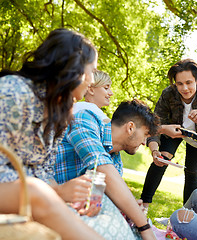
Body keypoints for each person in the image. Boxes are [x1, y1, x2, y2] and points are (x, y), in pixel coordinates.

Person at [0, 28, 103, 239]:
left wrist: (65, 192)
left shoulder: (60, 114)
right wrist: (53, 194)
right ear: (73, 68)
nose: (92, 80)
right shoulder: (13, 92)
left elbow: (45, 172)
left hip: (22, 197)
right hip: (15, 191)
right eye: (91, 71)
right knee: (37, 192)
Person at [55, 99, 159, 240]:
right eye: (145, 135)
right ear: (130, 128)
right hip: (47, 195)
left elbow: (106, 195)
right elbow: (101, 166)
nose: (144, 142)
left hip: (78, 209)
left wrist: (129, 206)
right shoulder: (86, 120)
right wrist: (144, 226)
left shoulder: (116, 161)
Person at [141, 58, 197, 206]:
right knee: (161, 159)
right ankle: (143, 205)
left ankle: (187, 216)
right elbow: (155, 125)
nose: (184, 88)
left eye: (189, 82)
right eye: (179, 84)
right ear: (174, 83)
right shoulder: (168, 94)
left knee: (192, 172)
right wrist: (154, 151)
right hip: (173, 129)